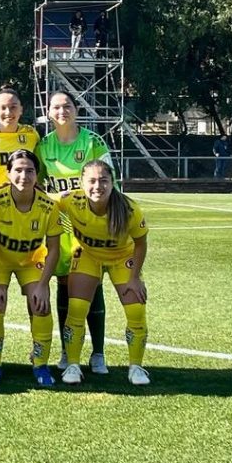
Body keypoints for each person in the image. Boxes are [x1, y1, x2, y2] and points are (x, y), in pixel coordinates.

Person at [36, 90, 114, 374]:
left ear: (75, 110)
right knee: (64, 284)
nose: (62, 111)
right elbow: (35, 184)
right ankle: (68, 353)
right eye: (56, 107)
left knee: (92, 284)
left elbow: (110, 180)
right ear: (48, 112)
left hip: (88, 225)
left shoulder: (92, 142)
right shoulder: (43, 146)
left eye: (67, 106)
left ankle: (98, 353)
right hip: (59, 227)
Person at [59, 161, 150, 386]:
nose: (97, 186)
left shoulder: (129, 209)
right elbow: (39, 198)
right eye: (91, 180)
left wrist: (135, 277)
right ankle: (72, 364)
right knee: (77, 308)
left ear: (112, 183)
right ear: (81, 183)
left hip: (122, 258)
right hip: (88, 255)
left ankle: (136, 367)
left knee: (136, 309)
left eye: (103, 180)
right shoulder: (71, 201)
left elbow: (141, 243)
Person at [0, 149, 62, 387]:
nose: (24, 175)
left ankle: (40, 363)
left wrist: (44, 284)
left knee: (41, 305)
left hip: (30, 261)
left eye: (30, 171)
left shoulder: (48, 206)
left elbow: (54, 248)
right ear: (8, 174)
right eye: (18, 170)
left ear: (37, 176)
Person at [0, 87, 40, 193]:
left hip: (25, 197)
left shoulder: (32, 134)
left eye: (13, 107)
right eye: (3, 108)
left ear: (21, 110)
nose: (8, 112)